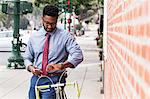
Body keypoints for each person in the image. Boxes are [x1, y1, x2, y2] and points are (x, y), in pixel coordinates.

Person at [24, 5, 83, 99]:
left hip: (55, 80)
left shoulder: (65, 36)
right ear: (42, 19)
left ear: (57, 20)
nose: (50, 26)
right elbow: (27, 58)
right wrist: (31, 68)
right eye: (47, 22)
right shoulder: (34, 37)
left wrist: (62, 65)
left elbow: (78, 55)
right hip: (36, 80)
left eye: (53, 23)